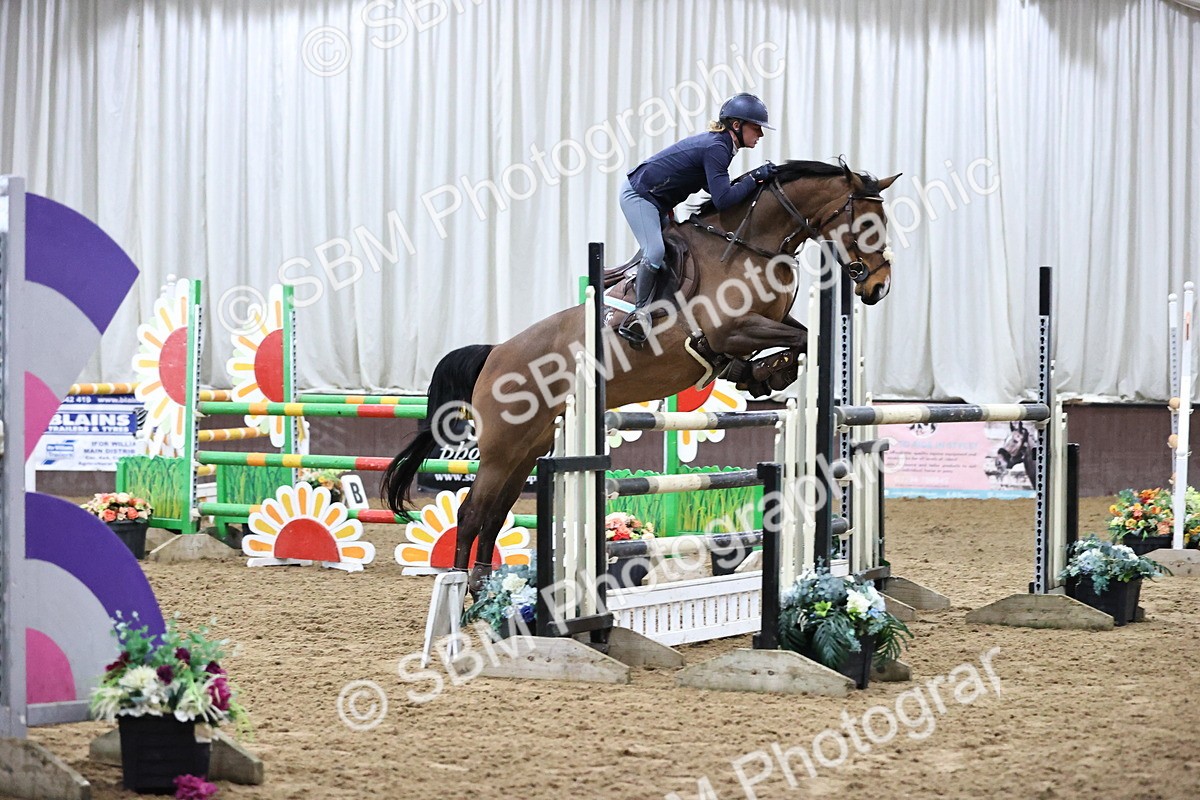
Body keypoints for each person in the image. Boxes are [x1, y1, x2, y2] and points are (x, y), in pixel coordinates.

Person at [617, 92, 779, 346]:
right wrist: (755, 177)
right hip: (640, 196)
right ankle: (638, 315)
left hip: (658, 201)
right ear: (736, 126)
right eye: (756, 128)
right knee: (656, 251)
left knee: (676, 249)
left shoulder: (722, 146)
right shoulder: (717, 148)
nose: (760, 135)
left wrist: (753, 179)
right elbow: (724, 200)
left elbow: (718, 195)